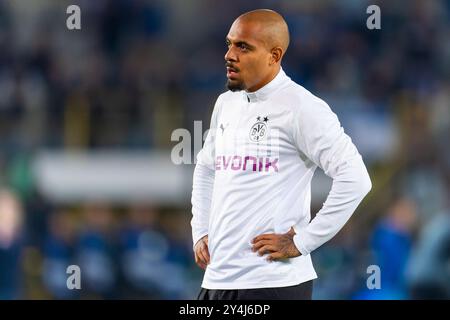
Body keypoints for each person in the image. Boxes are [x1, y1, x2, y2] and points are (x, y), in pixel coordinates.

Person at [191, 9, 371, 300]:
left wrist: (303, 242)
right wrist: (200, 229)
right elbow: (205, 168)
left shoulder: (302, 107)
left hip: (273, 283)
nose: (229, 55)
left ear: (274, 55)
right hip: (217, 278)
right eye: (229, 44)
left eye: (243, 47)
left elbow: (356, 178)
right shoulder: (226, 103)